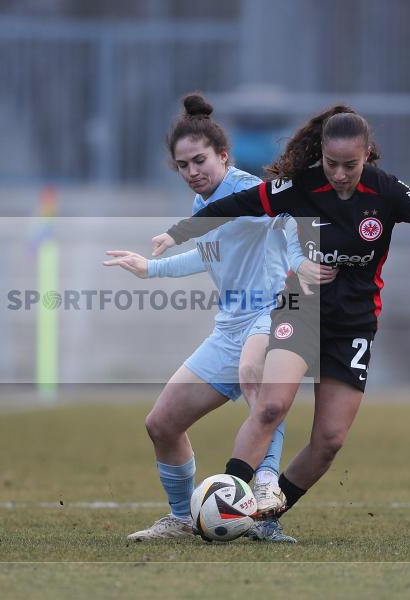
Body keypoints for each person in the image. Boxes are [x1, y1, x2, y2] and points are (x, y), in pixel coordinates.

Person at [151, 105, 410, 529]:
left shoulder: (388, 191)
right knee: (270, 406)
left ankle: (266, 521)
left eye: (350, 165)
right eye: (331, 164)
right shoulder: (300, 187)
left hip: (354, 325)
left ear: (368, 156)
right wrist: (179, 232)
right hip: (300, 307)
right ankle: (230, 502)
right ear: (319, 154)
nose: (340, 174)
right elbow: (240, 203)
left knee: (328, 442)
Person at [105, 94, 304, 543]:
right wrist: (149, 268)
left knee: (256, 377)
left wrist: (298, 262)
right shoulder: (203, 206)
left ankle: (266, 500)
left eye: (200, 161)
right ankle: (182, 518)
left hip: (271, 315)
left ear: (223, 156)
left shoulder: (248, 190)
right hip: (229, 328)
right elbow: (209, 253)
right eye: (183, 165)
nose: (193, 171)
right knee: (161, 424)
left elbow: (287, 220)